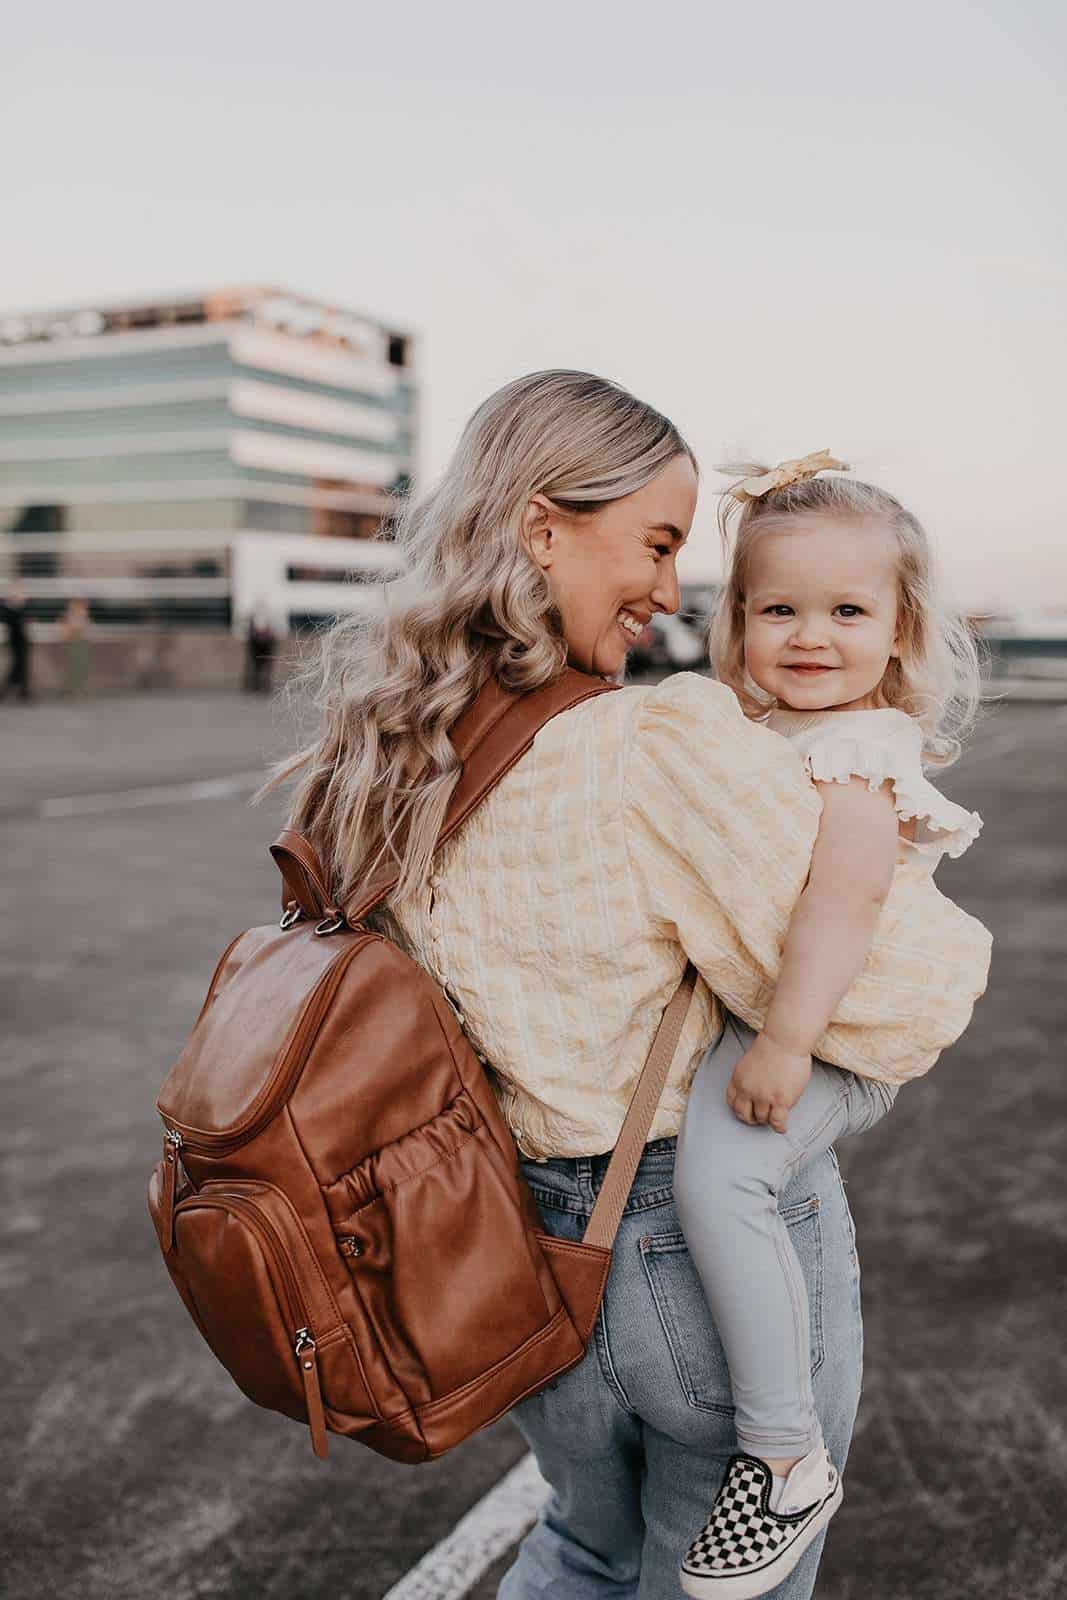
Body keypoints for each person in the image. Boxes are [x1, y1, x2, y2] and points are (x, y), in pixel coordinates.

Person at [272, 373, 991, 1599]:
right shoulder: (654, 742)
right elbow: (900, 992)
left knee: (580, 1548)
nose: (668, 590)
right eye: (655, 544)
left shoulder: (383, 748)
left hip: (516, 1253)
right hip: (681, 1254)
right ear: (542, 529)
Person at [673, 453, 991, 1599]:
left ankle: (781, 1457)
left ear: (897, 630)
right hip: (788, 1012)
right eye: (779, 610)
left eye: (846, 611)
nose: (810, 636)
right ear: (738, 620)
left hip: (831, 1028)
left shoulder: (857, 750)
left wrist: (783, 1043)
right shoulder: (765, 732)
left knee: (720, 1178)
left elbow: (840, 902)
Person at [1, 582, 32, 702]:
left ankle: (24, 692)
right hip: (14, 641)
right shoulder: (8, 608)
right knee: (17, 666)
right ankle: (8, 690)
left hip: (23, 640)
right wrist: (15, 605)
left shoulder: (22, 607)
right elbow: (11, 621)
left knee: (23, 666)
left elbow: (26, 620)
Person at [60, 596, 91, 698]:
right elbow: (68, 630)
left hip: (81, 644)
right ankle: (72, 689)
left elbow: (85, 630)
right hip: (73, 643)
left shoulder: (83, 615)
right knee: (73, 667)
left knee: (81, 667)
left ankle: (79, 689)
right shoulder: (69, 616)